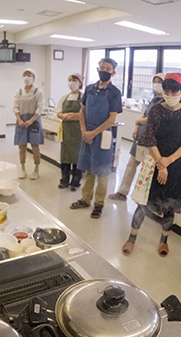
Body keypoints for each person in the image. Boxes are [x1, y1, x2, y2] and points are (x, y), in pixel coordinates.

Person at [122, 73, 181, 257]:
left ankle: (164, 240)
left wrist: (167, 163)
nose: (170, 94)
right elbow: (150, 138)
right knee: (143, 202)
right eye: (167, 90)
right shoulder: (156, 110)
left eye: (174, 90)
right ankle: (132, 238)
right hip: (153, 162)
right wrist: (160, 164)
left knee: (170, 204)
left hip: (175, 165)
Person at [70, 57, 123, 219]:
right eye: (102, 68)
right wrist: (84, 131)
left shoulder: (114, 93)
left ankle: (99, 204)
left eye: (108, 69)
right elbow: (82, 111)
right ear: (97, 69)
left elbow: (111, 119)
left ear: (113, 73)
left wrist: (93, 133)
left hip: (103, 136)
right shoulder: (90, 88)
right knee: (89, 169)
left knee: (102, 172)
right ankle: (85, 199)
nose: (104, 71)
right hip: (87, 134)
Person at [109, 73, 164, 201]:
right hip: (141, 137)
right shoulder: (154, 99)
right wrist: (136, 128)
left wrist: (138, 122)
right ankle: (122, 192)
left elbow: (153, 119)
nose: (156, 85)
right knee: (131, 165)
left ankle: (143, 197)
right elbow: (145, 114)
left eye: (159, 82)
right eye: (154, 82)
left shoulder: (164, 102)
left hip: (151, 140)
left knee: (147, 170)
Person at [14, 68, 45, 180]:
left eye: (29, 75)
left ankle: (36, 169)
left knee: (35, 146)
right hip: (21, 121)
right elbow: (15, 106)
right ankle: (22, 168)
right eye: (25, 75)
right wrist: (19, 119)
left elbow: (40, 107)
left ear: (34, 77)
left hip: (34, 121)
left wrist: (31, 121)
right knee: (21, 146)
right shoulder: (19, 92)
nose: (27, 77)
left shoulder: (38, 92)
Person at [56, 73, 84, 191]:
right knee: (65, 156)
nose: (72, 81)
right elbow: (58, 112)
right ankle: (64, 180)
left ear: (80, 82)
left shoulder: (84, 97)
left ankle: (75, 182)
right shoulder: (64, 98)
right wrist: (64, 115)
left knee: (78, 157)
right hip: (66, 131)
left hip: (79, 131)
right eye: (70, 80)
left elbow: (84, 114)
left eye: (74, 79)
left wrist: (72, 115)